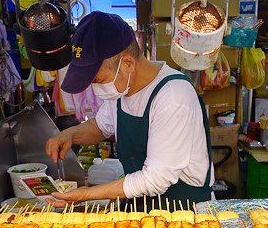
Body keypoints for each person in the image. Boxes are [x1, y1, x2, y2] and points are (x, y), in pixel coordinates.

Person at [45, 11, 213, 210]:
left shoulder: (173, 96)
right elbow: (99, 127)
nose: (95, 88)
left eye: (98, 80)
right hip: (141, 207)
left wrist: (86, 194)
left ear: (127, 63)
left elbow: (156, 179)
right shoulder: (121, 88)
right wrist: (70, 135)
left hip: (185, 211)